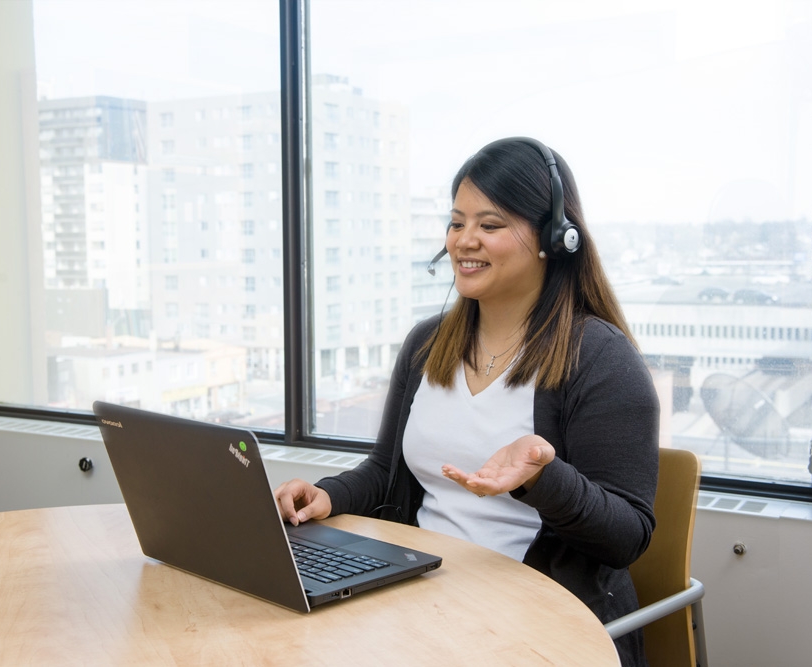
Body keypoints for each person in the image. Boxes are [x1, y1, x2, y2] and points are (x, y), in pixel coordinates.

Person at [275, 137, 660, 665]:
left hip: (534, 618)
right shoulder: (428, 344)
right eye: (457, 223)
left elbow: (627, 537)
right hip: (419, 597)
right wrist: (326, 496)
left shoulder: (600, 359)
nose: (464, 241)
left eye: (490, 225)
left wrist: (543, 477)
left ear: (553, 238)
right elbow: (387, 469)